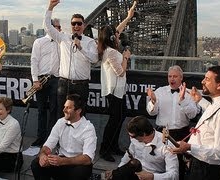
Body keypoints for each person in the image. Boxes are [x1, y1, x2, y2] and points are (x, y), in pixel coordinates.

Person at [171, 65, 220, 180]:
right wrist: (200, 100)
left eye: (207, 79)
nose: (202, 82)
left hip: (205, 170)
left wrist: (189, 147)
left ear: (219, 85)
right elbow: (214, 111)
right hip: (199, 164)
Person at [44, 0, 98, 118]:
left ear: (84, 25)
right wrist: (50, 8)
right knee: (62, 116)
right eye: (73, 24)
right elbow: (47, 27)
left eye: (79, 23)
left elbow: (94, 59)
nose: (76, 26)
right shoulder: (63, 38)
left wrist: (80, 47)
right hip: (64, 84)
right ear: (71, 25)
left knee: (80, 116)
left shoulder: (90, 42)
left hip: (81, 86)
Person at [146, 65, 199, 179]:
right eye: (170, 76)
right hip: (163, 133)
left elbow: (193, 114)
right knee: (161, 162)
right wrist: (153, 101)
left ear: (181, 78)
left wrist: (183, 100)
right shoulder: (160, 91)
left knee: (179, 165)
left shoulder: (189, 93)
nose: (172, 79)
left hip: (181, 133)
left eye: (175, 76)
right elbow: (151, 112)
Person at [31, 94, 97, 180]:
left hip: (78, 163)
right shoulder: (60, 122)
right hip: (61, 161)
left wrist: (63, 161)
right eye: (64, 107)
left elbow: (87, 158)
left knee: (80, 172)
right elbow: (48, 145)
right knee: (36, 164)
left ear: (78, 111)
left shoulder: (88, 128)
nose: (64, 110)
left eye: (68, 108)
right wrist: (43, 155)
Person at [97, 8, 134, 162]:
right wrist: (125, 57)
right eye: (116, 34)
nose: (119, 34)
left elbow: (117, 29)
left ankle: (113, 146)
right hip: (114, 92)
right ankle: (105, 149)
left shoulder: (108, 48)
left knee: (119, 118)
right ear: (112, 37)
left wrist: (128, 17)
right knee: (114, 120)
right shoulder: (111, 52)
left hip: (117, 91)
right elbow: (120, 72)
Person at [105, 116, 179, 180]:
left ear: (143, 134)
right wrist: (117, 172)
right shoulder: (135, 140)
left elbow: (174, 175)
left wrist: (152, 177)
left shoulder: (166, 145)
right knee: (133, 163)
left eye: (133, 136)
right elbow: (125, 160)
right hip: (135, 173)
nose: (131, 138)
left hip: (154, 176)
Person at [30, 18, 61, 147]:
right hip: (41, 80)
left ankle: (51, 140)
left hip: (56, 79)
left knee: (55, 111)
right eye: (58, 27)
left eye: (60, 27)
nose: (60, 29)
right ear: (51, 28)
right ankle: (40, 138)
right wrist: (35, 80)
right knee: (41, 110)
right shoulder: (39, 42)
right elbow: (34, 61)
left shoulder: (62, 42)